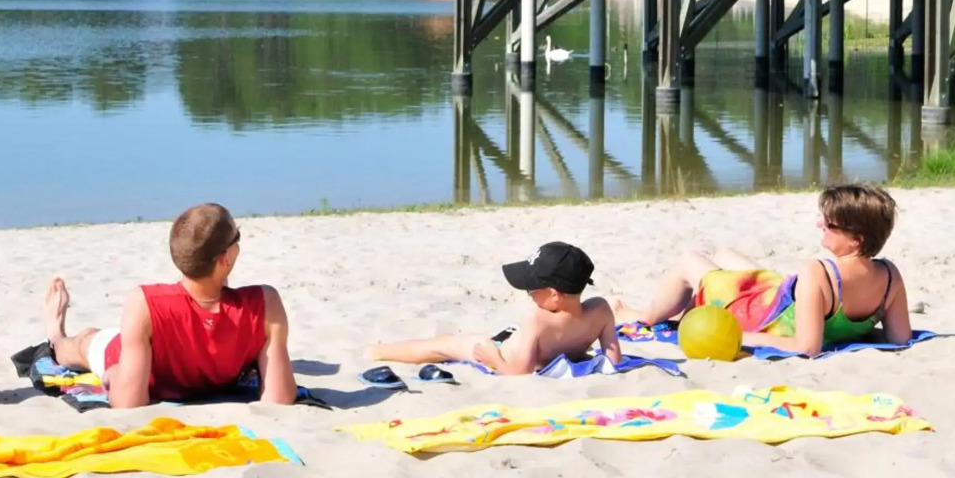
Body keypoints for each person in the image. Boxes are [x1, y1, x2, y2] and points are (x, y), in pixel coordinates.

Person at [614, 183, 913, 358]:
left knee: (691, 260)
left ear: (855, 239)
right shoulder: (889, 277)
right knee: (724, 254)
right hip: (782, 295)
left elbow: (807, 347)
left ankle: (635, 314)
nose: (819, 224)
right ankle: (680, 309)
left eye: (829, 223)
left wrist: (743, 336)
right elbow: (899, 338)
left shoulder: (818, 272)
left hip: (761, 311)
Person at [42, 203, 296, 408]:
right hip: (154, 342)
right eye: (236, 239)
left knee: (87, 340)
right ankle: (56, 336)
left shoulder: (146, 302)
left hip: (138, 348)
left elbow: (128, 402)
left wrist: (117, 374)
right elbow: (280, 398)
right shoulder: (265, 304)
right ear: (226, 258)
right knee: (83, 342)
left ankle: (58, 335)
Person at [366, 242, 621, 375]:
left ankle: (376, 352)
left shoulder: (539, 319)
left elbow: (518, 373)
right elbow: (613, 361)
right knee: (443, 344)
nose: (529, 296)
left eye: (532, 290)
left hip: (502, 351)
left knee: (442, 346)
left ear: (554, 296)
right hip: (521, 344)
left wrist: (493, 359)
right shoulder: (600, 310)